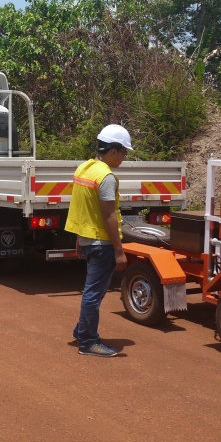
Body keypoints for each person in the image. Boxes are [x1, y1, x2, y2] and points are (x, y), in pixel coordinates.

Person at [65, 124, 132, 357]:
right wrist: (119, 250)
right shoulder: (106, 177)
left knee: (93, 292)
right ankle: (87, 342)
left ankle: (81, 330)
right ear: (113, 150)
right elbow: (108, 215)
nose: (124, 157)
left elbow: (82, 208)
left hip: (87, 239)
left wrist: (79, 237)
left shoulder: (84, 168)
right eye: (124, 152)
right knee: (93, 294)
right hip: (102, 243)